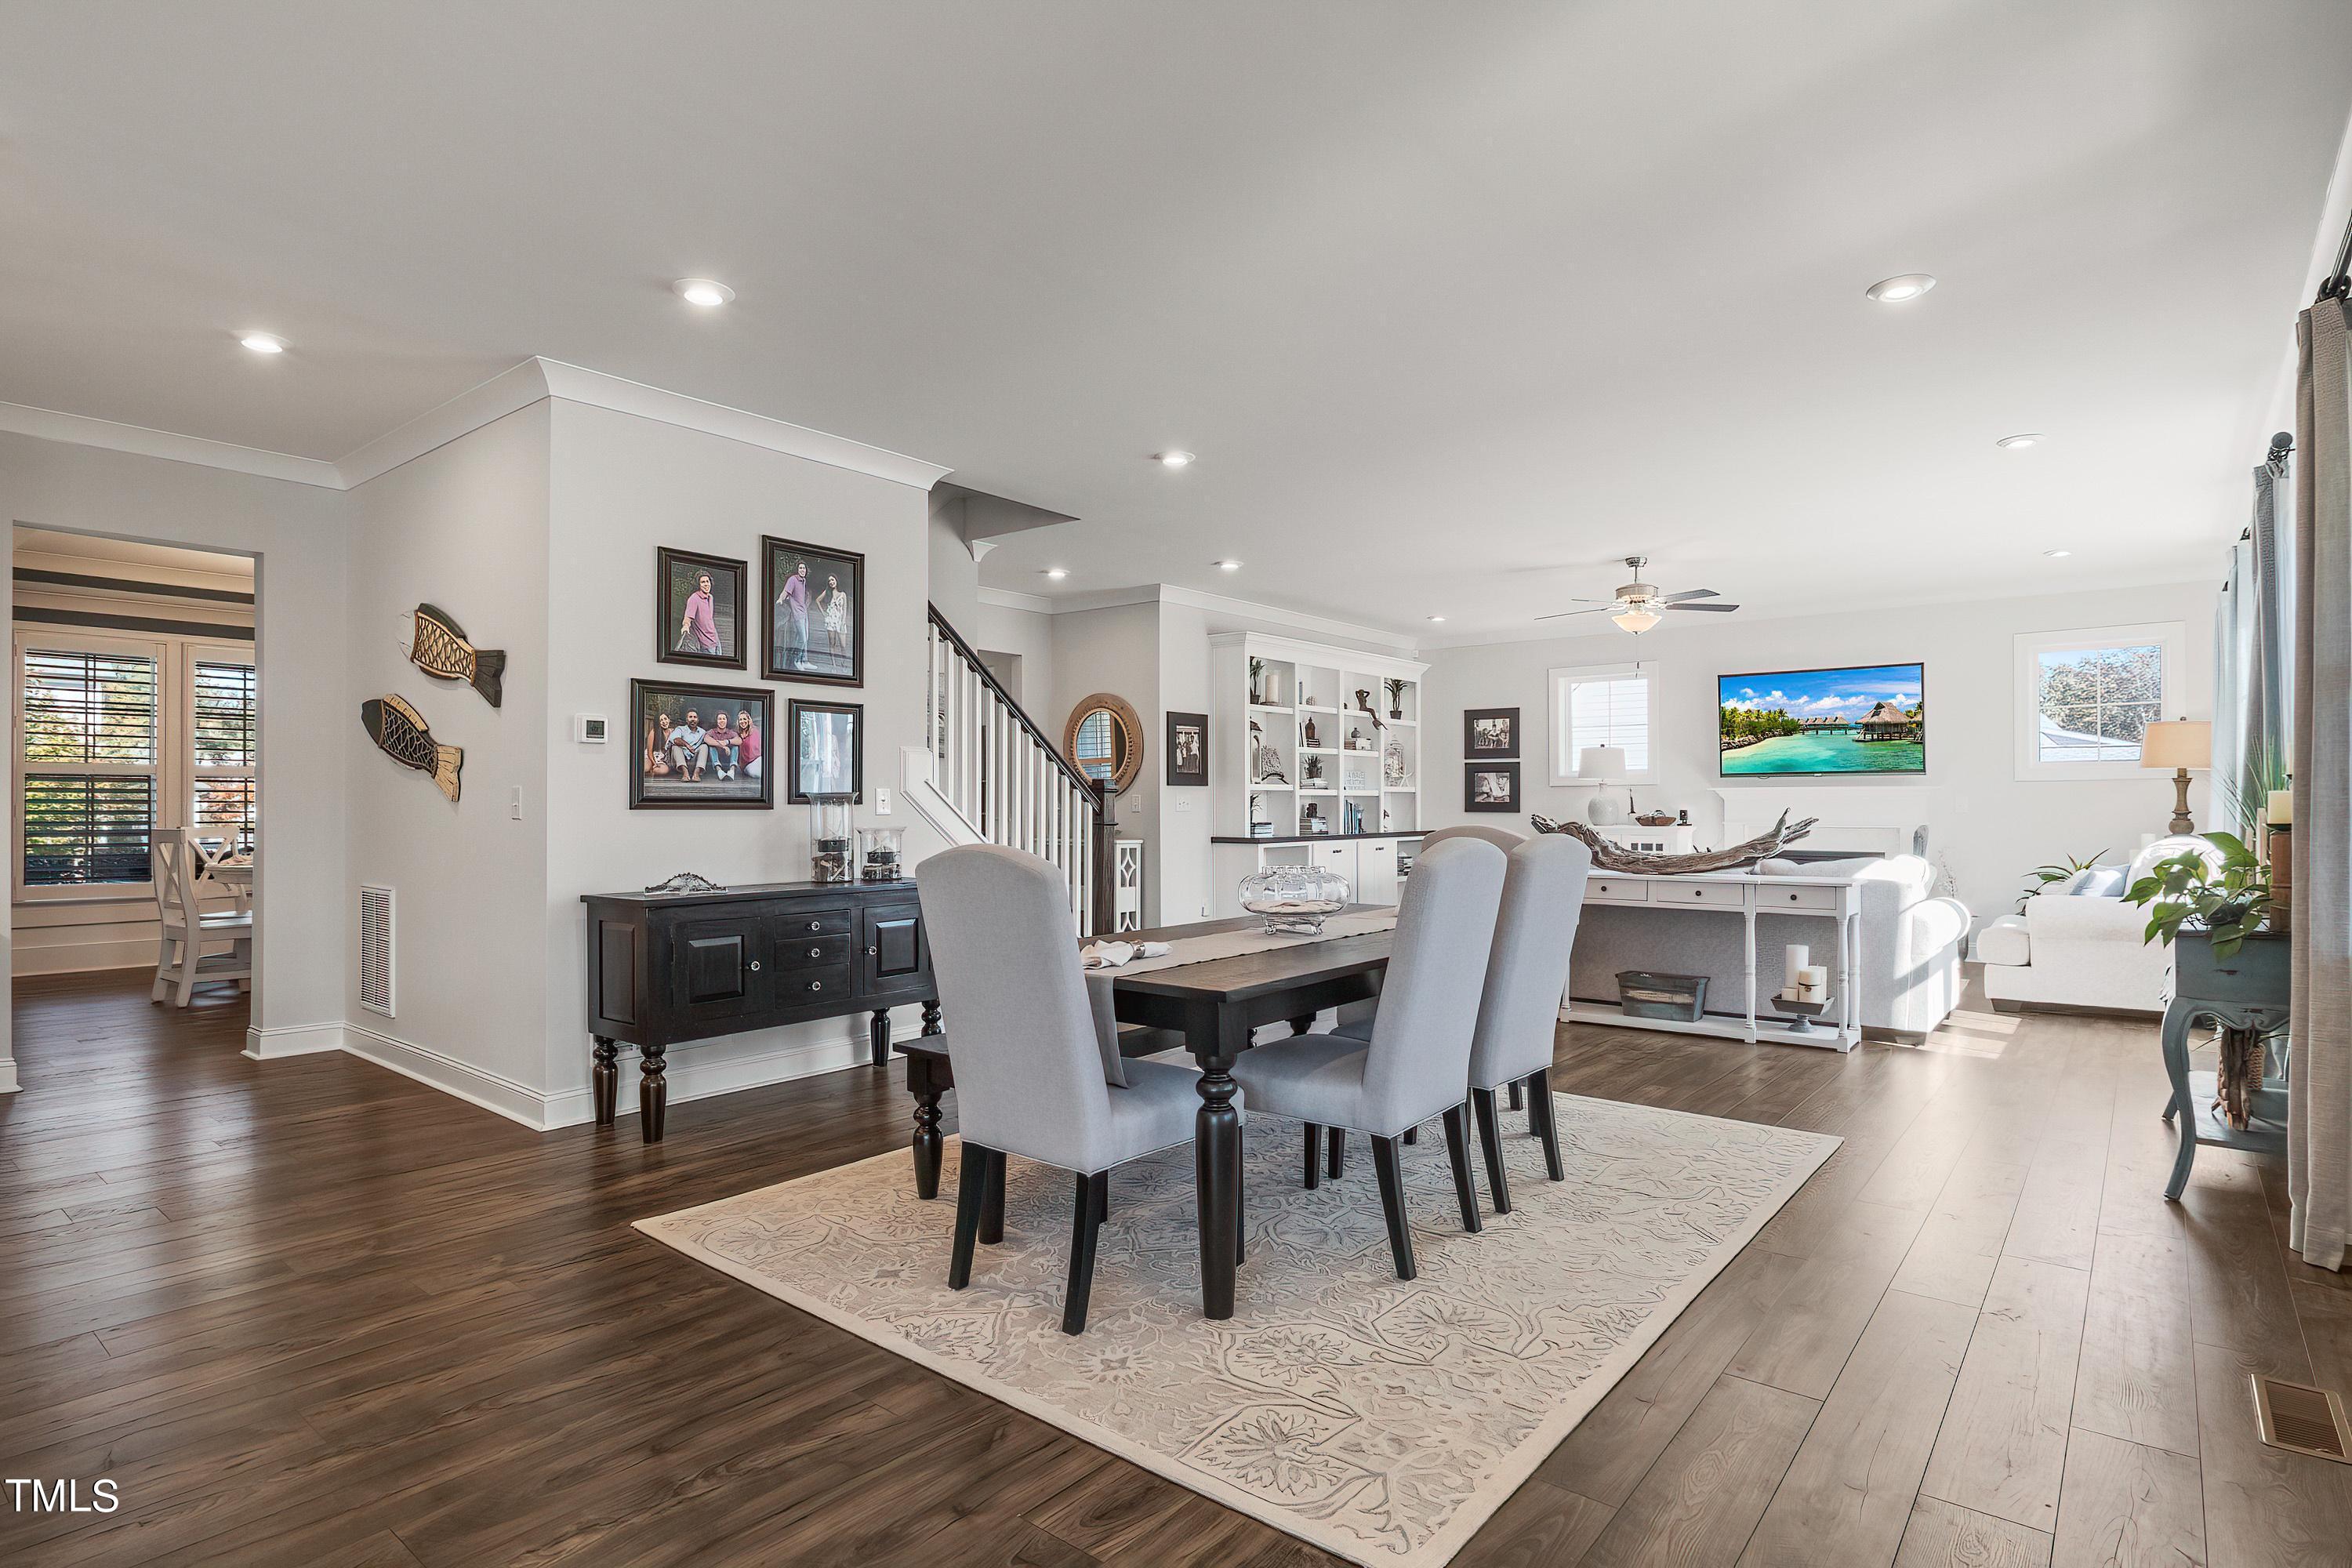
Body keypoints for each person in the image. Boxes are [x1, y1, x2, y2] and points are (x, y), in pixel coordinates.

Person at [679, 571, 721, 656]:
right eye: (703, 582)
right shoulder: (694, 599)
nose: (706, 584)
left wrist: (716, 638)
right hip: (706, 643)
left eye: (707, 581)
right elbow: (688, 617)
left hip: (716, 639)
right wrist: (686, 626)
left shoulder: (710, 597)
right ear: (698, 585)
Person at [777, 561, 809, 671]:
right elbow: (785, 591)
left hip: (804, 612)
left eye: (804, 568)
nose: (802, 570)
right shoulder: (793, 580)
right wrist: (781, 599)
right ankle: (796, 660)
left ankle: (803, 661)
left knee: (806, 638)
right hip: (798, 614)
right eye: (800, 568)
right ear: (797, 570)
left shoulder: (803, 580)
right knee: (803, 639)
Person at [818, 572, 851, 673]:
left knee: (843, 645)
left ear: (836, 580)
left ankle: (844, 663)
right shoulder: (827, 592)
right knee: (832, 643)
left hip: (840, 622)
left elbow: (845, 609)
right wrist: (824, 613)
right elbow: (817, 601)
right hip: (831, 621)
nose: (831, 582)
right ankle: (834, 665)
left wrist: (843, 621)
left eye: (833, 580)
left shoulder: (843, 594)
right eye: (829, 581)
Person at [667, 708, 708, 781]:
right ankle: (685, 773)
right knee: (675, 747)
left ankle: (696, 774)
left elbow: (710, 740)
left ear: (698, 720)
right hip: (680, 763)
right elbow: (675, 740)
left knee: (704, 747)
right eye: (690, 717)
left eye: (695, 717)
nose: (693, 719)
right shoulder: (680, 729)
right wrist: (687, 745)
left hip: (694, 763)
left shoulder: (702, 732)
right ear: (686, 720)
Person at [705, 710, 739, 779]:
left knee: (736, 746)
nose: (722, 721)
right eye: (720, 719)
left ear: (727, 721)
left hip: (727, 758)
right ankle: (719, 771)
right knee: (712, 747)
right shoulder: (712, 731)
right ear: (716, 721)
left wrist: (727, 742)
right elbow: (707, 739)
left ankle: (732, 771)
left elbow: (739, 740)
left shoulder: (730, 732)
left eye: (724, 719)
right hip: (716, 759)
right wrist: (723, 746)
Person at [644, 711, 673, 777]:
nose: (664, 722)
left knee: (663, 771)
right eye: (661, 720)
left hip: (662, 759)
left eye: (665, 719)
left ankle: (653, 771)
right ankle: (651, 768)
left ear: (669, 720)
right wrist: (654, 763)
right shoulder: (654, 731)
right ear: (658, 723)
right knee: (646, 768)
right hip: (650, 757)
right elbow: (649, 752)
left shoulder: (673, 732)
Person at [736, 709, 761, 779]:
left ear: (748, 720)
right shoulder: (737, 733)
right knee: (756, 774)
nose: (743, 721)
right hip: (746, 764)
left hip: (757, 759)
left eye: (744, 719)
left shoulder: (754, 731)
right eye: (740, 720)